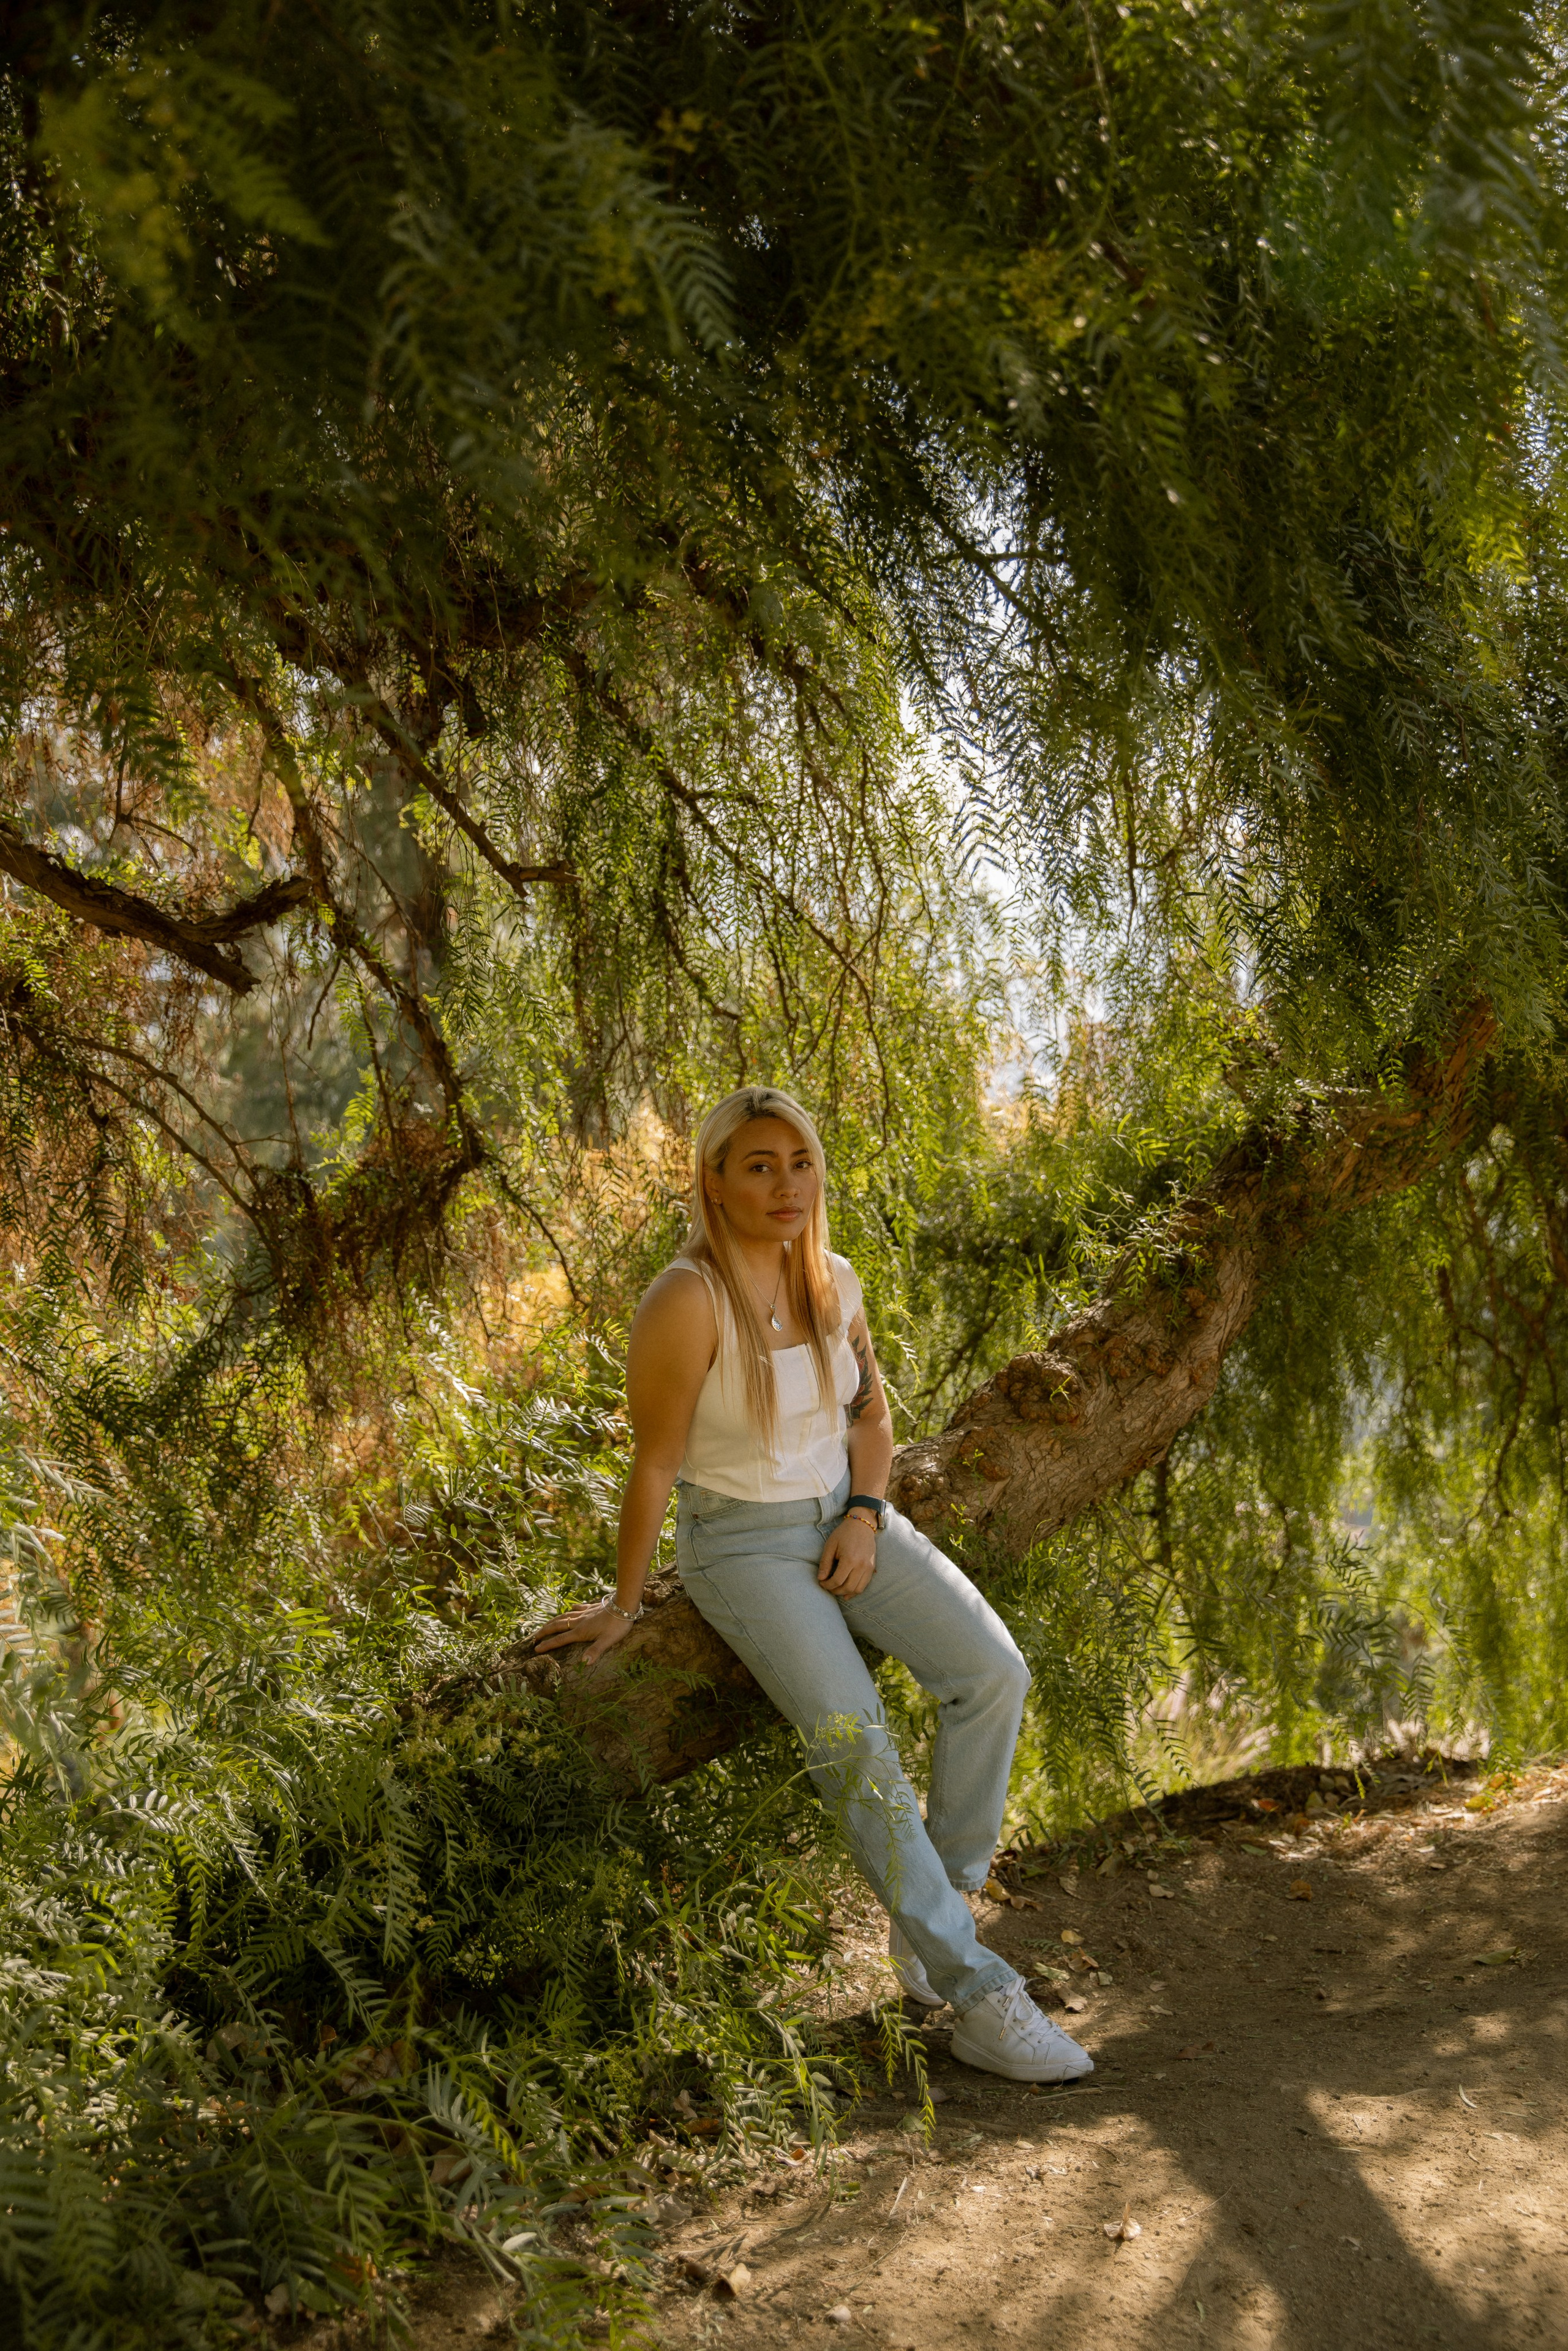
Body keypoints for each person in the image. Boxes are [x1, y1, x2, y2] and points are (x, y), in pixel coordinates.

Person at [535, 1085, 1092, 2083]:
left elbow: (873, 1419)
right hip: (741, 1547)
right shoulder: (686, 1300)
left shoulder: (833, 1278)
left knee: (993, 1672)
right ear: (714, 1178)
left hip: (845, 1512)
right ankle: (978, 1993)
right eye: (759, 1164)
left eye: (800, 1160)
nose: (787, 1183)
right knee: (857, 1741)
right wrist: (624, 1605)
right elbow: (655, 1466)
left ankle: (938, 1917)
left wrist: (867, 1514)